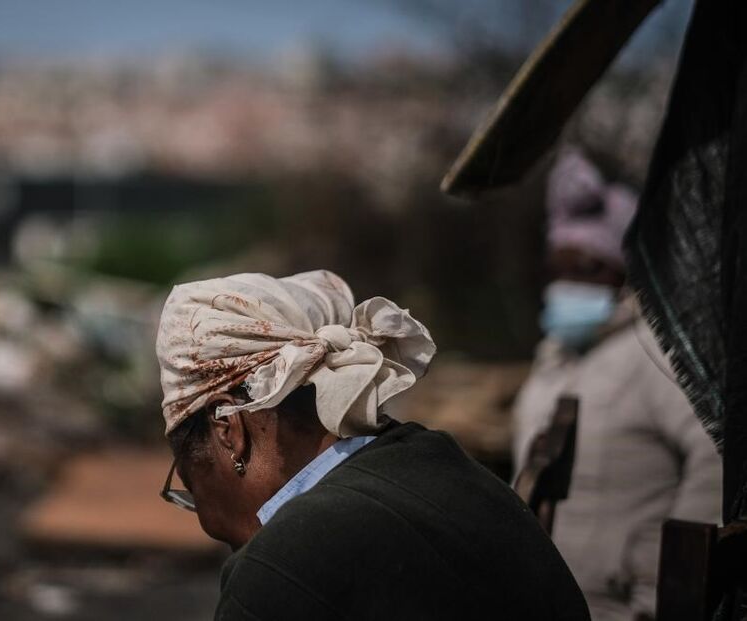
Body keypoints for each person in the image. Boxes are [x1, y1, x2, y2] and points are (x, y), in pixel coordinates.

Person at [156, 269, 590, 620]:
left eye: (190, 489)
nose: (214, 528)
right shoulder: (455, 471)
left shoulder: (283, 566)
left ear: (228, 428)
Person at [512, 149, 723, 621]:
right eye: (557, 269)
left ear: (624, 272)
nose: (567, 283)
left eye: (586, 268)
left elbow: (716, 458)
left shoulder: (659, 352)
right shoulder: (555, 356)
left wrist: (661, 582)